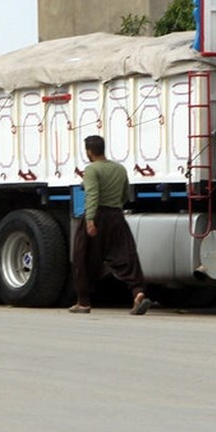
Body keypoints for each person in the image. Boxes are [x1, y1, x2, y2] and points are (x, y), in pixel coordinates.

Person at [70, 135, 153, 315]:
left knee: (81, 257)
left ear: (89, 151)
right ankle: (138, 292)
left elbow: (92, 194)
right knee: (126, 256)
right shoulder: (120, 169)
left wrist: (90, 220)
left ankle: (83, 302)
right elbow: (125, 195)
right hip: (116, 216)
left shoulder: (92, 170)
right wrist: (116, 207)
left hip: (97, 216)